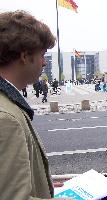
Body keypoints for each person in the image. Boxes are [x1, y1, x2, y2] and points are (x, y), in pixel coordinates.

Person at [0, 10, 64, 199]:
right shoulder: (6, 118)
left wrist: (43, 185)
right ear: (25, 56)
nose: (44, 62)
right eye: (42, 54)